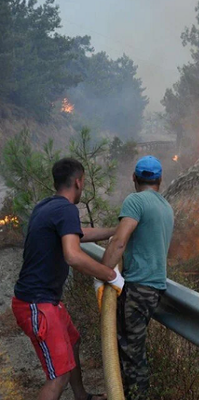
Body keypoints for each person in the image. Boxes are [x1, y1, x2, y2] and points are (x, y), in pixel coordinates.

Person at [12, 158, 124, 400]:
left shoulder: (47, 206)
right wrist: (110, 275)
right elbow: (72, 256)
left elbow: (80, 234)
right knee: (58, 377)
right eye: (83, 181)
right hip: (37, 303)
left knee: (73, 340)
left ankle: (82, 396)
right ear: (78, 181)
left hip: (45, 300)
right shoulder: (66, 209)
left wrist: (116, 231)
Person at [101, 155, 174, 399]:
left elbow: (119, 242)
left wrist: (103, 273)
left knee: (131, 356)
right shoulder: (165, 207)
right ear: (160, 180)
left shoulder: (135, 201)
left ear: (134, 177)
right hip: (154, 289)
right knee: (135, 351)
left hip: (137, 288)